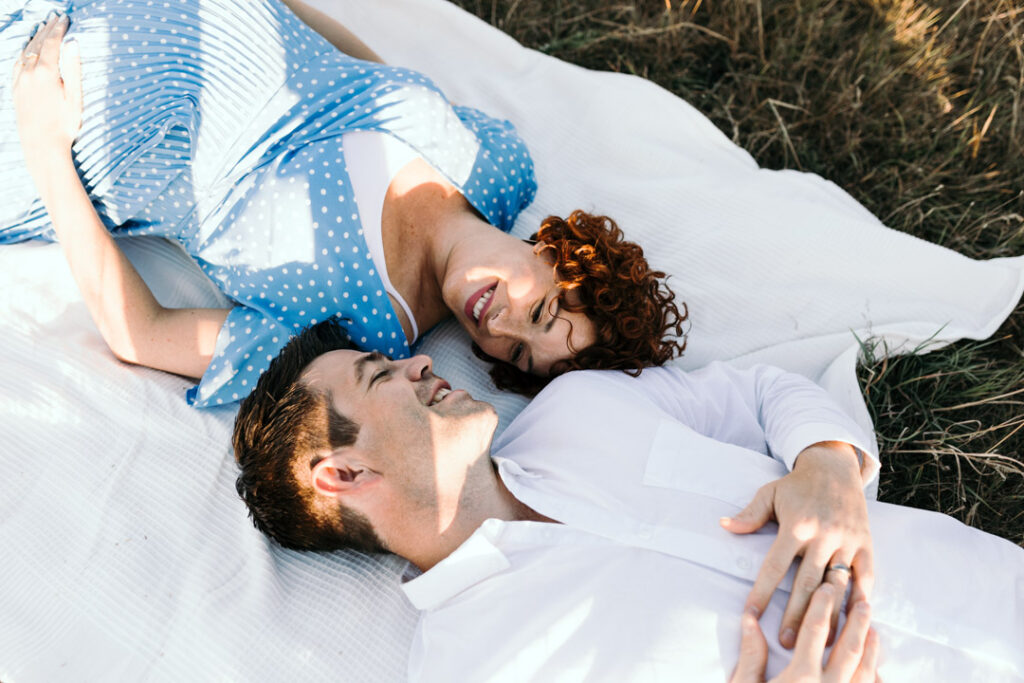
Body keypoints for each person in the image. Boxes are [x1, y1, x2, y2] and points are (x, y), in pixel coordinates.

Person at [232, 320, 1024, 680]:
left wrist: (827, 462)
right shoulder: (471, 666)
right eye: (381, 377)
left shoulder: (582, 409)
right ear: (339, 474)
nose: (415, 365)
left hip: (995, 586)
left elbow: (756, 395)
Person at [1, 0, 685, 409]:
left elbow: (141, 333)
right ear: (554, 251)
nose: (502, 325)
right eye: (541, 311)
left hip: (42, 95)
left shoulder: (358, 333)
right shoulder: (495, 166)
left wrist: (43, 140)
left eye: (518, 353)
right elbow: (367, 79)